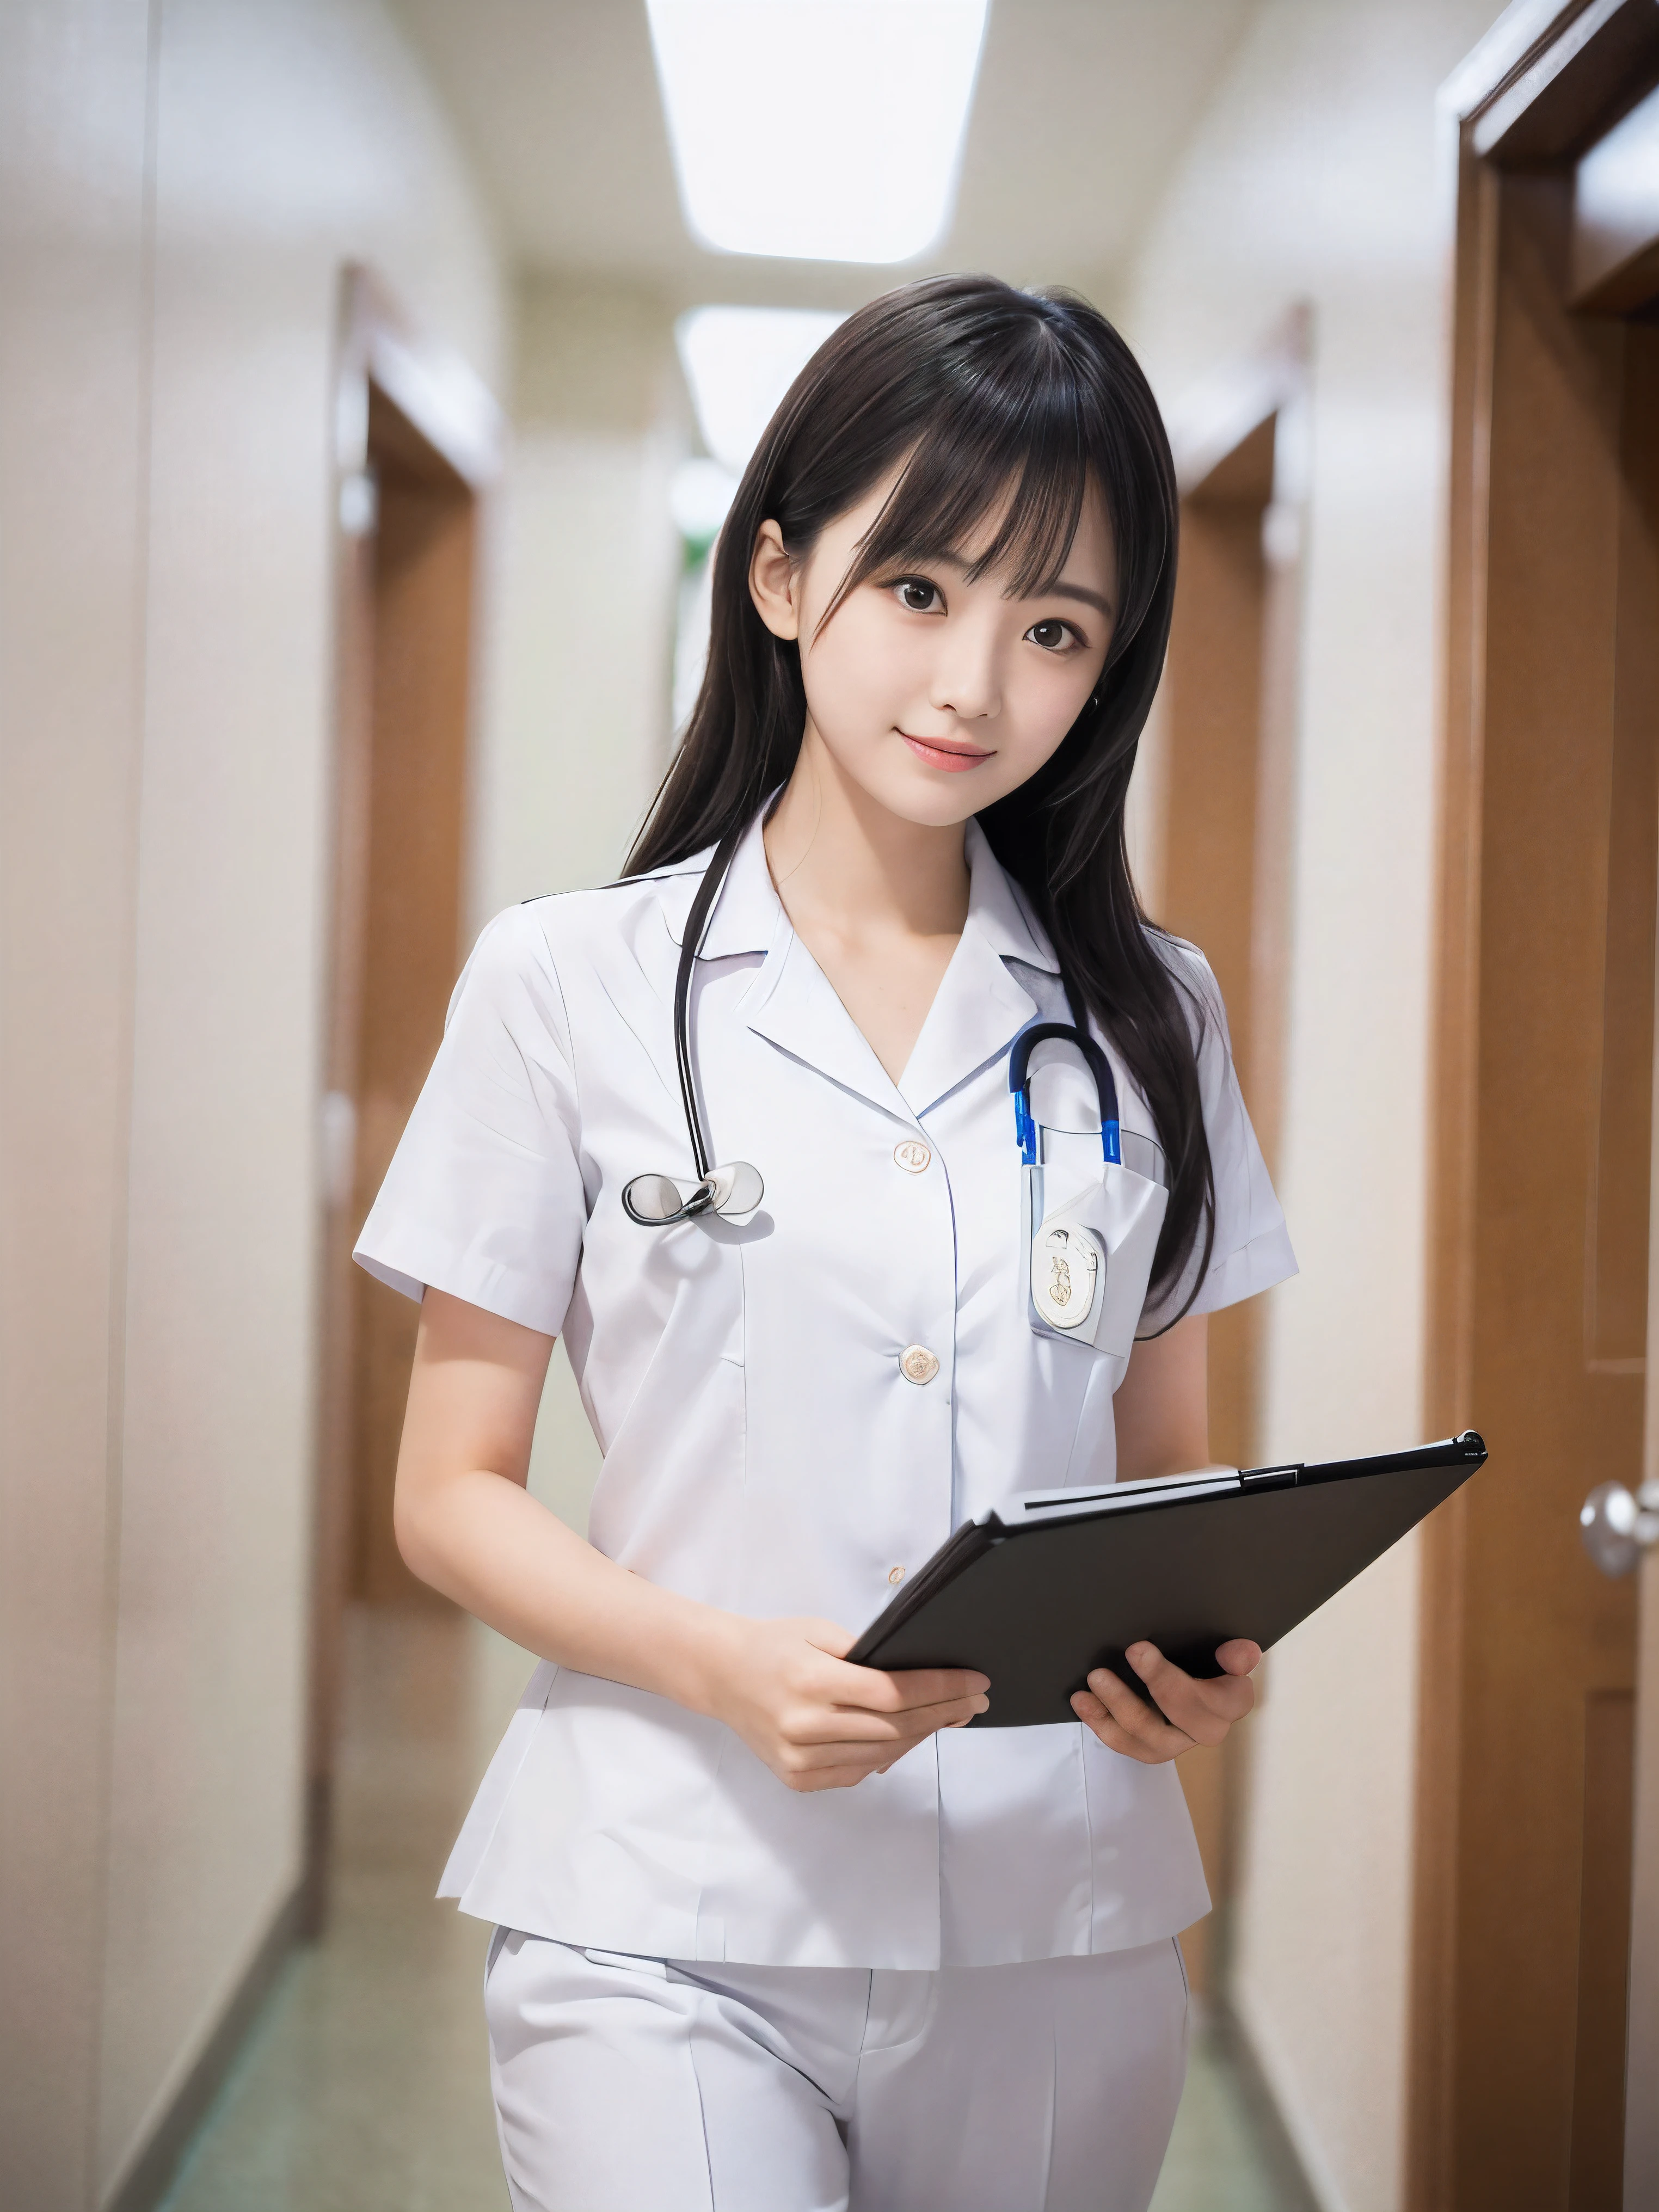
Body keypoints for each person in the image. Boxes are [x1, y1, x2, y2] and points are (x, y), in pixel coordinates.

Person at [355, 273, 1296, 2212]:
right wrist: (721, 1666)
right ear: (781, 577)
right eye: (923, 591)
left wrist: (1198, 1657)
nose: (973, 687)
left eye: (1054, 629)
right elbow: (448, 1494)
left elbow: (1166, 1473)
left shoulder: (1152, 1016)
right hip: (664, 1898)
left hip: (1058, 1911)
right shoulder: (570, 984)